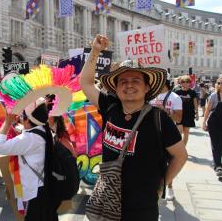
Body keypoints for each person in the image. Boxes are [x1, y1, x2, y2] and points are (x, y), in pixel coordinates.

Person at [80, 35, 187, 220]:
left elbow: (180, 156)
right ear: (117, 87)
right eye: (123, 81)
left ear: (147, 88)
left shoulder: (159, 118)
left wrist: (162, 184)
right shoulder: (110, 106)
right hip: (107, 199)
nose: (129, 84)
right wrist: (96, 51)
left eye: (135, 80)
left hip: (142, 207)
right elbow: (86, 83)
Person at [0, 98, 61, 221]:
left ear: (29, 120)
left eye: (23, 116)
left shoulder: (30, 138)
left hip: (36, 193)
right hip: (46, 188)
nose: (21, 118)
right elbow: (27, 133)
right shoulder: (45, 130)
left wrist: (7, 122)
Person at [150, 76, 183, 201]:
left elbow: (179, 119)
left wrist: (165, 111)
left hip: (168, 135)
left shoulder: (175, 97)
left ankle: (169, 187)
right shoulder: (149, 96)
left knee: (170, 162)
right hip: (152, 134)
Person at [202, 74, 222, 177]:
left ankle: (217, 161)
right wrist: (204, 122)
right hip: (214, 122)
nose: (221, 85)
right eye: (219, 83)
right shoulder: (214, 95)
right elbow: (208, 109)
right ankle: (218, 165)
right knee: (216, 144)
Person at [175, 75, 199, 147]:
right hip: (179, 114)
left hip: (189, 114)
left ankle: (183, 148)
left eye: (187, 82)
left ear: (189, 83)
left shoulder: (192, 92)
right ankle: (178, 147)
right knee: (179, 132)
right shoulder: (177, 92)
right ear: (180, 83)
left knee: (186, 132)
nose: (185, 84)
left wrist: (197, 113)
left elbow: (195, 103)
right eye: (183, 82)